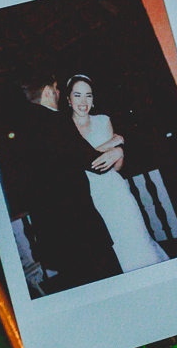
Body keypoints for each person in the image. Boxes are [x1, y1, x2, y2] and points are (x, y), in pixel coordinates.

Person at [11, 74, 123, 292]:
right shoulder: (56, 120)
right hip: (81, 230)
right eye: (55, 88)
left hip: (52, 235)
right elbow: (94, 163)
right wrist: (117, 146)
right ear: (46, 92)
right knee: (111, 285)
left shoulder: (23, 129)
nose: (58, 93)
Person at [66, 75, 170, 272]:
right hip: (93, 198)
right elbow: (81, 164)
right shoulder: (65, 129)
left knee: (138, 239)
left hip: (117, 190)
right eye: (77, 95)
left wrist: (119, 152)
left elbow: (117, 167)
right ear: (69, 99)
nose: (83, 101)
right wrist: (113, 145)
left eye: (88, 95)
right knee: (117, 248)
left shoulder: (104, 121)